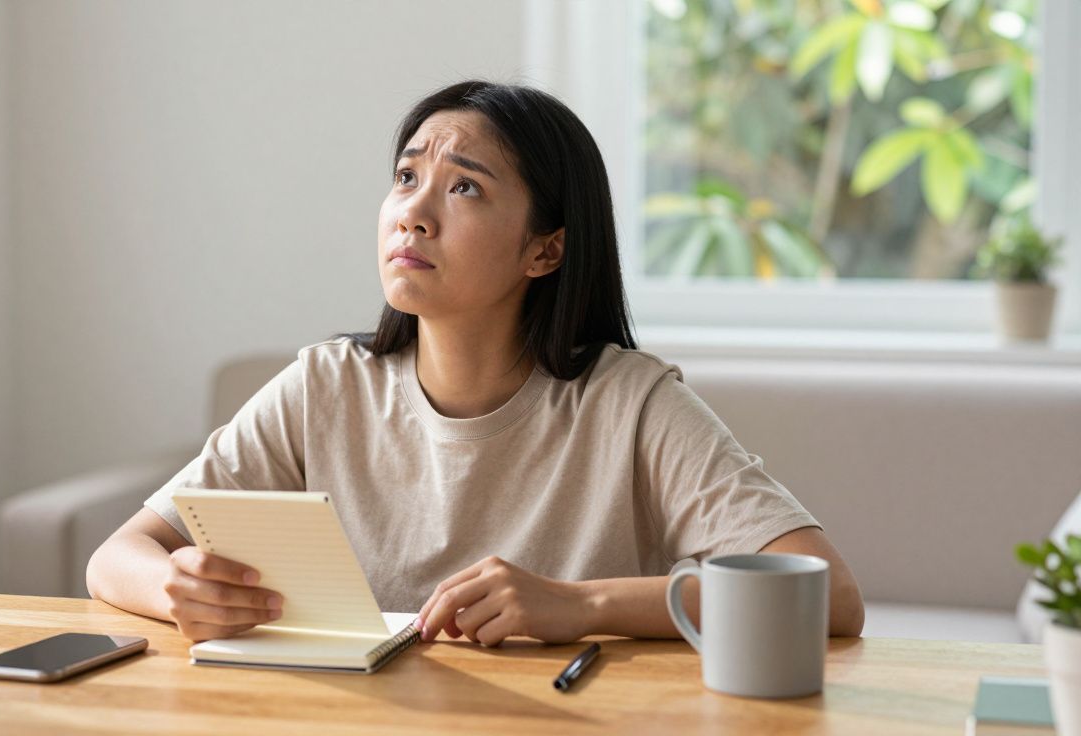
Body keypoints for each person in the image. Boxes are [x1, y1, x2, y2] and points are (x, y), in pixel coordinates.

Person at [86, 79, 865, 647]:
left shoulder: (631, 403)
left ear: (545, 249)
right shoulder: (323, 388)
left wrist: (581, 605)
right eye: (406, 176)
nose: (413, 215)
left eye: (464, 187)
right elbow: (116, 557)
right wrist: (174, 588)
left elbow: (829, 595)